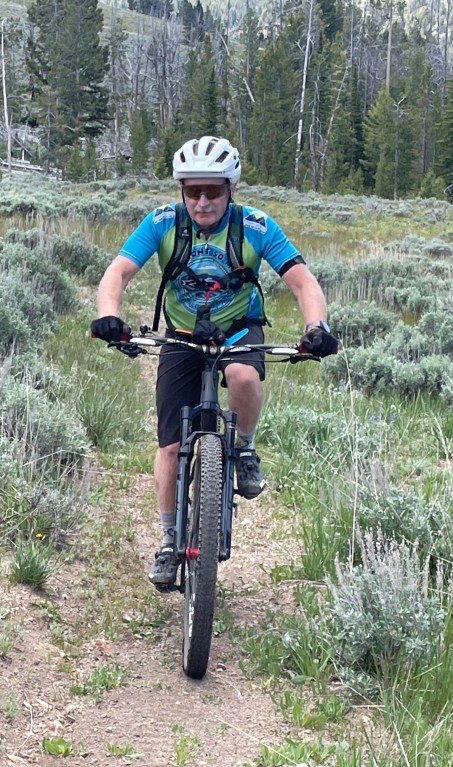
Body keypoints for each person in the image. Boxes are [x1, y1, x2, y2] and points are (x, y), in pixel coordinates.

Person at [90, 135, 338, 587]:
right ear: (182, 190)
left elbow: (303, 283)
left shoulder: (256, 226)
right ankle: (169, 540)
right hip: (183, 334)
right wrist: (108, 314)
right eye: (193, 191)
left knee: (243, 375)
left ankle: (243, 448)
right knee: (170, 446)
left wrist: (315, 327)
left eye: (213, 191)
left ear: (231, 189)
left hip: (238, 328)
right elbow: (118, 272)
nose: (202, 202)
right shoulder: (163, 222)